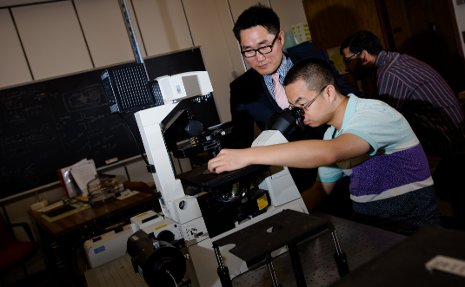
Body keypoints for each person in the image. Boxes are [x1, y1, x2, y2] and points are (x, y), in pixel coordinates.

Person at [209, 58, 440, 235]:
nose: (300, 115)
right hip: (376, 231)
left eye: (303, 105)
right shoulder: (332, 133)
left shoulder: (372, 114)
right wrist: (278, 224)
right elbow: (320, 191)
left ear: (328, 92)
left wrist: (249, 156)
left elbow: (329, 153)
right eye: (294, 109)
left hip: (414, 231)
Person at [226, 4, 355, 192]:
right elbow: (241, 141)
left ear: (280, 38)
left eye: (264, 47)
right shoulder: (241, 89)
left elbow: (350, 100)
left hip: (343, 164)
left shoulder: (313, 59)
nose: (259, 58)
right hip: (298, 181)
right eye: (248, 51)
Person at [339, 30, 465, 170]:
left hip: (447, 143)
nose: (346, 68)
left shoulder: (389, 74)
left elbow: (380, 124)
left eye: (347, 60)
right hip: (452, 134)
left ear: (363, 55)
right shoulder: (395, 60)